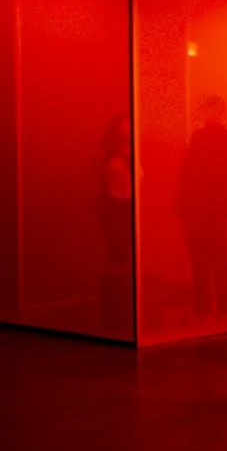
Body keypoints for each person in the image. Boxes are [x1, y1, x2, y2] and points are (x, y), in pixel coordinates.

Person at [178, 95, 227, 321]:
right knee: (218, 257)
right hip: (216, 207)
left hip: (200, 206)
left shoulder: (201, 138)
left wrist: (182, 203)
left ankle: (203, 307)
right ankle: (222, 306)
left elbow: (189, 174)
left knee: (201, 257)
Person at [96, 114, 136, 336]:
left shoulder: (129, 152)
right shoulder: (108, 153)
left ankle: (121, 308)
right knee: (115, 252)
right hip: (113, 205)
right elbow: (111, 181)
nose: (128, 132)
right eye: (125, 129)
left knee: (122, 252)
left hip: (125, 204)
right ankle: (114, 309)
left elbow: (136, 179)